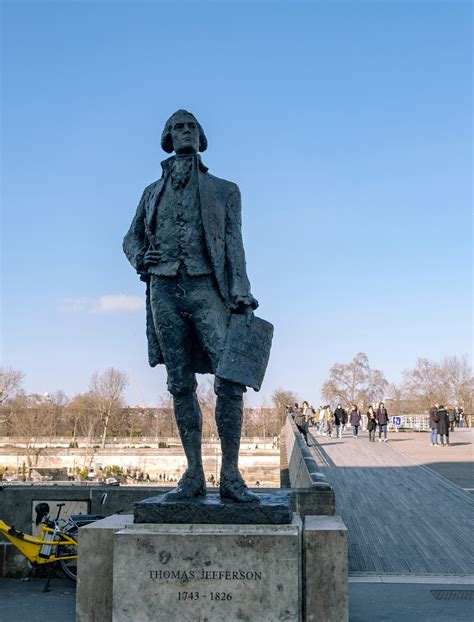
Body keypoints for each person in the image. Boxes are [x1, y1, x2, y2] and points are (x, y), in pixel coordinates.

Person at [123, 110, 260, 502]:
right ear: (168, 137)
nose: (185, 131)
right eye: (177, 127)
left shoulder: (225, 190)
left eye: (191, 126)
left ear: (201, 138)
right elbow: (130, 238)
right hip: (164, 290)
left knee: (230, 378)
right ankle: (194, 474)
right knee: (179, 384)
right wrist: (140, 258)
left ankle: (231, 475)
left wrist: (242, 292)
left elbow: (235, 245)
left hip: (206, 288)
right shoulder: (151, 192)